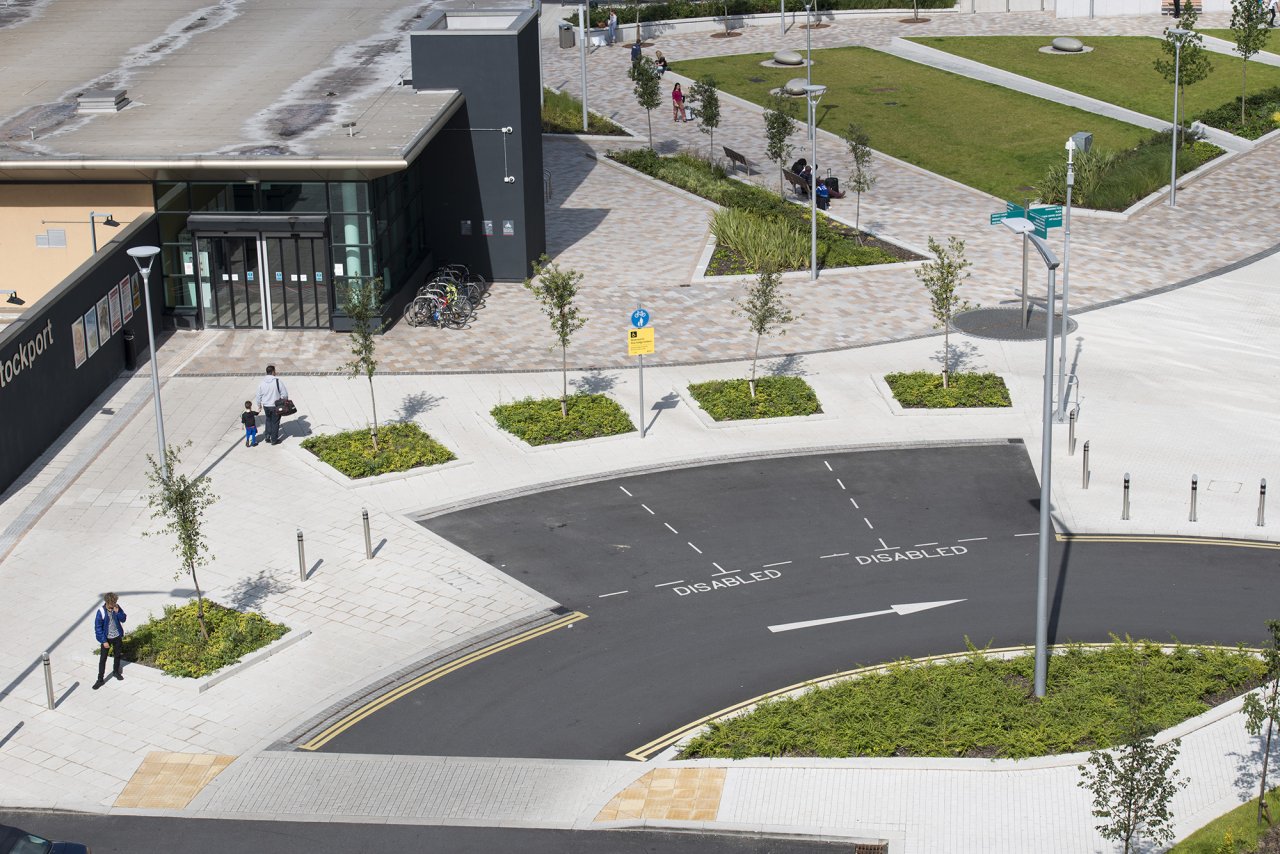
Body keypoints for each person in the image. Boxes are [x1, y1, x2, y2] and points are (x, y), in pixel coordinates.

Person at [93, 592, 127, 689]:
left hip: (117, 636)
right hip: (106, 638)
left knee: (117, 655)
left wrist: (118, 612)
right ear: (108, 602)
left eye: (115, 602)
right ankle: (100, 679)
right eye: (113, 603)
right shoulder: (101, 612)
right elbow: (98, 628)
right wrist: (103, 641)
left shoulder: (117, 607)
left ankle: (116, 672)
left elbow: (123, 619)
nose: (115, 604)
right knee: (103, 659)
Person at [253, 364, 289, 445]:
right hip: (276, 406)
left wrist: (259, 405)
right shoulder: (277, 381)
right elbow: (285, 394)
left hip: (266, 406)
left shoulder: (262, 383)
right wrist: (284, 400)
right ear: (273, 372)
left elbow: (258, 396)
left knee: (268, 420)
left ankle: (267, 436)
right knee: (275, 422)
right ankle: (274, 439)